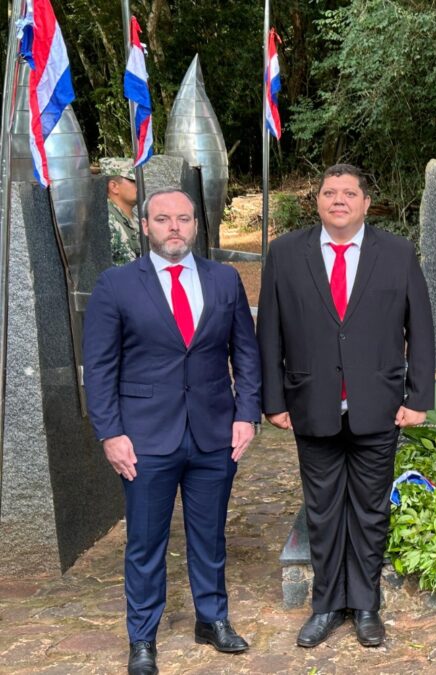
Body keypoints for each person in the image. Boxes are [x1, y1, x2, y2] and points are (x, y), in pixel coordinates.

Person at [82, 188, 261, 675]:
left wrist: (247, 414)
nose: (174, 227)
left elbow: (245, 353)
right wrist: (110, 433)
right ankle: (142, 638)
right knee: (145, 541)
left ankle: (212, 618)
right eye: (163, 219)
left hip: (213, 434)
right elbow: (98, 368)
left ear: (196, 225)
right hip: (143, 439)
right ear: (146, 226)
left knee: (210, 535)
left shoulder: (223, 280)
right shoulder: (116, 285)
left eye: (183, 218)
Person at [258, 163, 435, 649]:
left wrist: (419, 398)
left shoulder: (396, 253)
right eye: (329, 192)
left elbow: (420, 326)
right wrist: (272, 399)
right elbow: (268, 332)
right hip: (310, 405)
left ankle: (364, 605)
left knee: (371, 511)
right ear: (316, 201)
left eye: (349, 193)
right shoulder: (285, 254)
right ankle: (326, 605)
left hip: (377, 406)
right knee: (322, 510)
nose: (339, 199)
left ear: (364, 203)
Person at [101, 157, 142, 265]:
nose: (141, 185)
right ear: (114, 186)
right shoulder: (105, 220)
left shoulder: (136, 219)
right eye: (134, 181)